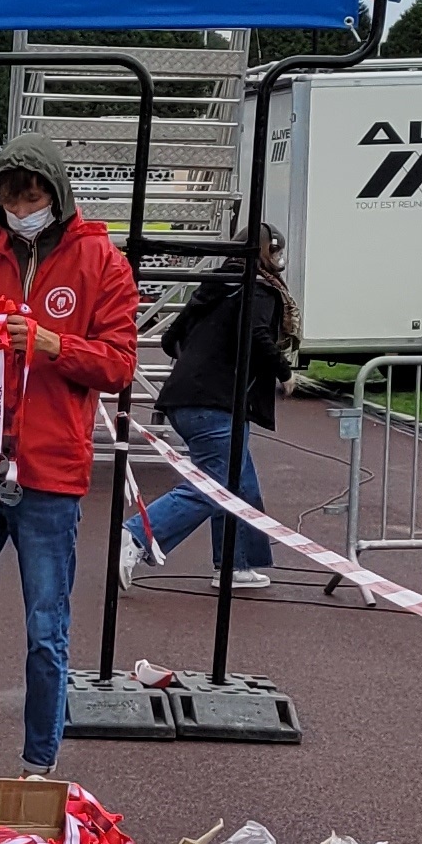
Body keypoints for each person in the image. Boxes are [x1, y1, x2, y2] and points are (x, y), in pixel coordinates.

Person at [0, 145, 139, 773]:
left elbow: (120, 365)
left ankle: (37, 772)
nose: (21, 210)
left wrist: (52, 345)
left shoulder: (103, 263)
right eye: (9, 199)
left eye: (32, 197)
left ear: (57, 194)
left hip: (49, 475)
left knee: (47, 636)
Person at [119, 228, 301, 595]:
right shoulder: (258, 289)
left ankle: (237, 564)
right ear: (269, 253)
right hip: (217, 403)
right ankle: (139, 534)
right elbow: (256, 335)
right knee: (215, 485)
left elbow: (171, 340)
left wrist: (203, 358)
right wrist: (285, 372)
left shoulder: (211, 287)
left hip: (183, 399)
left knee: (241, 480)